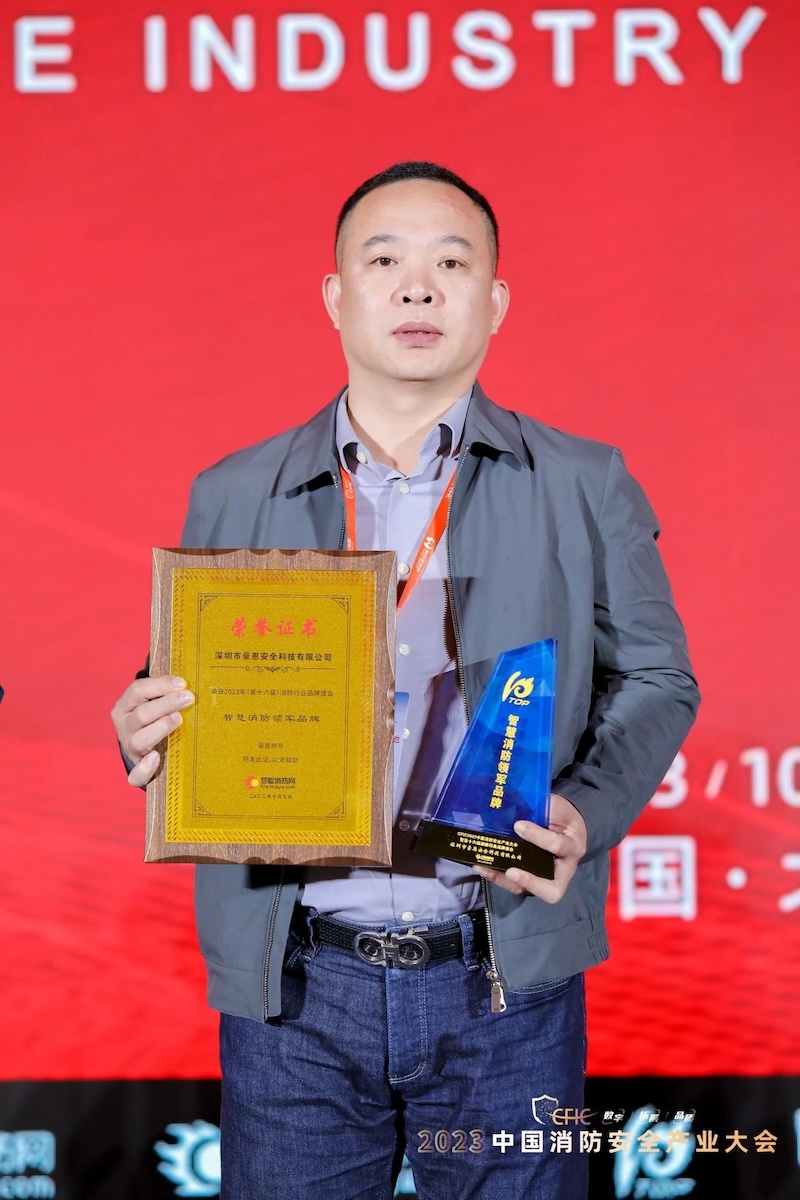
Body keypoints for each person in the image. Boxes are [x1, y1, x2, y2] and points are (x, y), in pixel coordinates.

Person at [112, 161, 700, 1199]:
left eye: (450, 263)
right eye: (383, 261)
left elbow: (657, 676)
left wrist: (583, 811)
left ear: (495, 302)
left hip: (501, 975)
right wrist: (144, 721)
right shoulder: (235, 489)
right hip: (294, 984)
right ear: (335, 297)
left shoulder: (582, 481)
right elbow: (194, 678)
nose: (417, 286)